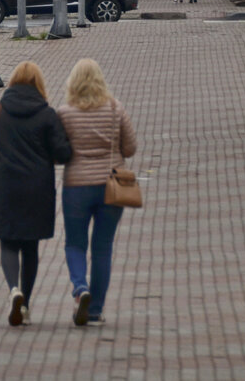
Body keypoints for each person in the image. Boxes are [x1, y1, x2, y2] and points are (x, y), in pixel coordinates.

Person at [0, 61, 72, 327]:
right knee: (30, 247)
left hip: (4, 186)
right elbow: (63, 153)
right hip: (38, 189)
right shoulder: (47, 114)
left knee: (8, 242)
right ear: (39, 84)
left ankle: (12, 290)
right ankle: (25, 304)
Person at [57, 58, 137, 326]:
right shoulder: (115, 109)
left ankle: (81, 289)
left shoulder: (65, 113)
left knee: (74, 243)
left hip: (76, 187)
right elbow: (130, 148)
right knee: (102, 248)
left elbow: (59, 151)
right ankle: (95, 311)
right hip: (110, 187)